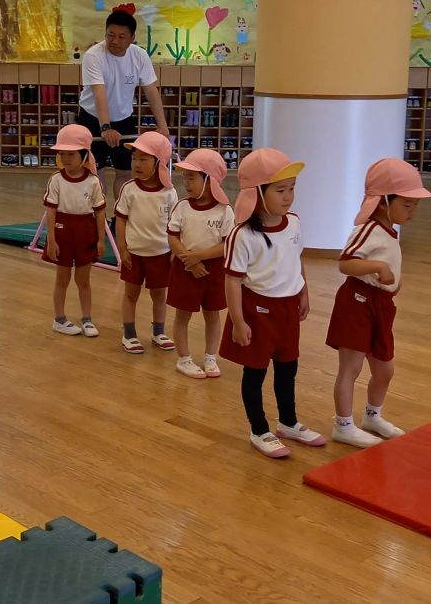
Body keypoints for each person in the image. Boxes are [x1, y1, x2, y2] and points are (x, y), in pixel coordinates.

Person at [219, 148, 326, 458]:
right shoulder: (242, 235)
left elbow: (296, 258)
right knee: (255, 372)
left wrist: (304, 291)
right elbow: (232, 280)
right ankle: (259, 429)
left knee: (288, 367)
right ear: (256, 193)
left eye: (292, 188)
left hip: (287, 309)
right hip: (256, 311)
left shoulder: (293, 222)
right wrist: (238, 321)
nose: (288, 196)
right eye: (280, 190)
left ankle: (288, 422)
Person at [325, 158, 431, 447]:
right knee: (350, 368)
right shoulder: (367, 229)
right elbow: (345, 264)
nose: (412, 211)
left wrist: (394, 281)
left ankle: (372, 416)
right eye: (407, 205)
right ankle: (343, 425)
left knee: (384, 369)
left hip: (381, 305)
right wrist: (378, 267)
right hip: (357, 302)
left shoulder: (390, 230)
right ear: (384, 202)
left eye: (415, 206)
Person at [78, 10, 170, 200]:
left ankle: (120, 215)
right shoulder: (93, 55)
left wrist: (162, 126)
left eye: (121, 37)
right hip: (92, 118)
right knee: (95, 173)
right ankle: (98, 215)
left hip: (124, 118)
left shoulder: (139, 55)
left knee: (126, 172)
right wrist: (105, 127)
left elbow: (151, 90)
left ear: (132, 38)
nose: (115, 41)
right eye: (110, 35)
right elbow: (99, 93)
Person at [167, 149, 235, 379]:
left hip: (213, 271)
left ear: (210, 180)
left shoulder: (225, 211)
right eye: (185, 177)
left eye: (192, 177)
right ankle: (184, 359)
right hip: (185, 268)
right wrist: (189, 259)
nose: (186, 182)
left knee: (212, 315)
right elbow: (173, 237)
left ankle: (210, 357)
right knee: (182, 314)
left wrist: (199, 257)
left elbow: (227, 244)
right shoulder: (182, 207)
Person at [115, 131, 177, 354]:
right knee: (131, 294)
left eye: (143, 159)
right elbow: (121, 220)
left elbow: (175, 226)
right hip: (134, 254)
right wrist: (122, 248)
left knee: (159, 295)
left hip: (161, 254)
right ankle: (129, 334)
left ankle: (158, 332)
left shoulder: (169, 193)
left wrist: (174, 250)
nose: (137, 164)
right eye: (134, 158)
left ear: (159, 162)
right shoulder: (129, 189)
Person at [42, 124, 106, 337]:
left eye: (71, 154)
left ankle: (87, 319)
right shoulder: (56, 180)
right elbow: (51, 211)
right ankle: (59, 319)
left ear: (84, 155)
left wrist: (101, 239)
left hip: (85, 232)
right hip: (62, 232)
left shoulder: (94, 182)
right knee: (62, 279)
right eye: (62, 154)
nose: (65, 159)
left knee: (83, 280)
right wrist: (51, 240)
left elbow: (100, 212)